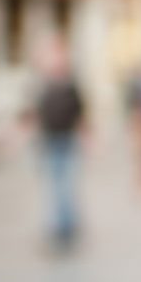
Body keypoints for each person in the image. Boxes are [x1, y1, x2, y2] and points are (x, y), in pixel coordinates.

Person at [33, 40, 87, 252]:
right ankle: (59, 226)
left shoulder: (69, 85)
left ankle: (67, 226)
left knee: (65, 186)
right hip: (51, 140)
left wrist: (86, 137)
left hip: (66, 139)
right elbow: (37, 114)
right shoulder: (46, 85)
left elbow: (81, 113)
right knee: (54, 186)